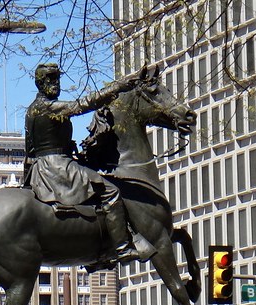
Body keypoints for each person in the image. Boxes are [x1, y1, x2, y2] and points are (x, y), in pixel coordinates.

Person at [24, 62, 159, 264]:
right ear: (40, 83)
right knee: (111, 192)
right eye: (50, 79)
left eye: (57, 78)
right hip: (57, 166)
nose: (56, 83)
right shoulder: (48, 107)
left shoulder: (31, 110)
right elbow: (84, 104)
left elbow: (30, 148)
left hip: (42, 167)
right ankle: (122, 249)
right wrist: (120, 86)